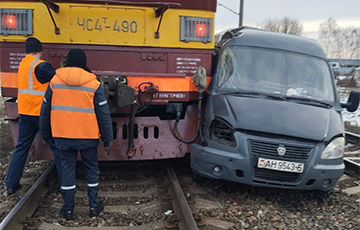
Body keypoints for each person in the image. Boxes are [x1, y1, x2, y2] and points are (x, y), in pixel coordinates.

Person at [40, 48, 113, 220]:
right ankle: (94, 206)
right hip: (87, 136)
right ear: (84, 63)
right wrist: (108, 138)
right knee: (92, 170)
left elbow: (45, 110)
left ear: (68, 61)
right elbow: (103, 114)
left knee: (67, 171)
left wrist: (45, 134)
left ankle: (68, 209)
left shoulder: (55, 81)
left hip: (63, 135)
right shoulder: (93, 83)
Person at [5, 37, 62, 195]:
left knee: (21, 148)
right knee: (57, 147)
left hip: (24, 113)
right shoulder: (40, 66)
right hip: (40, 114)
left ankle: (11, 184)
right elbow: (59, 79)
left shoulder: (23, 64)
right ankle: (64, 184)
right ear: (39, 51)